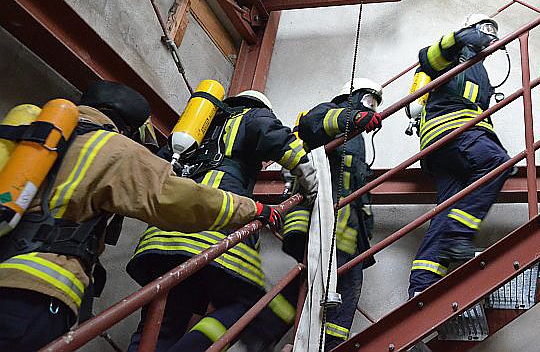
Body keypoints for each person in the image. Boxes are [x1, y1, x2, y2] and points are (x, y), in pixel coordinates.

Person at [0, 81, 283, 352]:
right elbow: (171, 195)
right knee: (244, 305)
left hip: (156, 247)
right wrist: (255, 208)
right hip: (36, 288)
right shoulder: (113, 148)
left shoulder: (32, 133)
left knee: (159, 324)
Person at [126, 89, 317, 352]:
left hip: (162, 238)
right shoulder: (251, 115)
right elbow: (274, 136)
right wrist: (309, 176)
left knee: (160, 323)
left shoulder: (195, 131)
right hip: (213, 233)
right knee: (244, 307)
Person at [407, 14, 512, 298]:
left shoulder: (481, 71)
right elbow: (427, 57)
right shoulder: (453, 55)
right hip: (453, 132)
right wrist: (461, 37)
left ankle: (422, 286)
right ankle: (457, 236)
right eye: (486, 30)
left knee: (446, 209)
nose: (491, 36)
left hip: (445, 147)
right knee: (497, 163)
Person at [281, 78, 383, 350]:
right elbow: (311, 124)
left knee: (344, 289)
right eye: (368, 100)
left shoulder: (357, 140)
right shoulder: (330, 113)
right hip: (325, 227)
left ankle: (331, 344)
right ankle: (270, 333)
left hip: (348, 236)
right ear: (352, 97)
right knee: (314, 289)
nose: (371, 108)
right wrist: (355, 117)